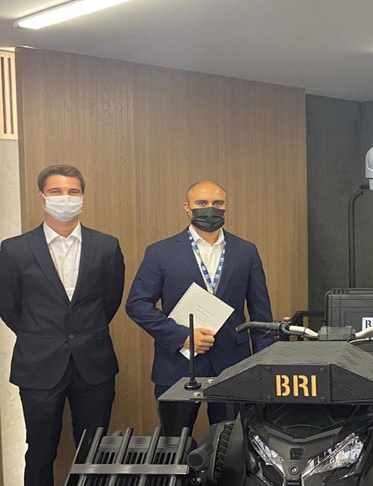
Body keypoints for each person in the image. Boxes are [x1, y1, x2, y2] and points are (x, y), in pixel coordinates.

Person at [0, 165, 125, 486]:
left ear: (83, 197)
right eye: (56, 191)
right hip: (38, 364)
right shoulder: (14, 249)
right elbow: (9, 306)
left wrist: (84, 332)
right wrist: (39, 334)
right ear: (42, 197)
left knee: (94, 454)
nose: (65, 198)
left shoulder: (107, 246)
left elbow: (109, 302)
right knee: (39, 452)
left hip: (93, 364)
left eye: (73, 191)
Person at [126, 181, 273, 436]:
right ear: (187, 207)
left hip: (233, 365)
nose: (210, 209)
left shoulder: (246, 251)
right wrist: (181, 335)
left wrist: (263, 366)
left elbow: (261, 314)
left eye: (217, 203)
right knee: (173, 445)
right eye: (202, 203)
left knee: (233, 444)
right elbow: (137, 304)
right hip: (177, 366)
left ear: (226, 206)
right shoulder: (160, 252)